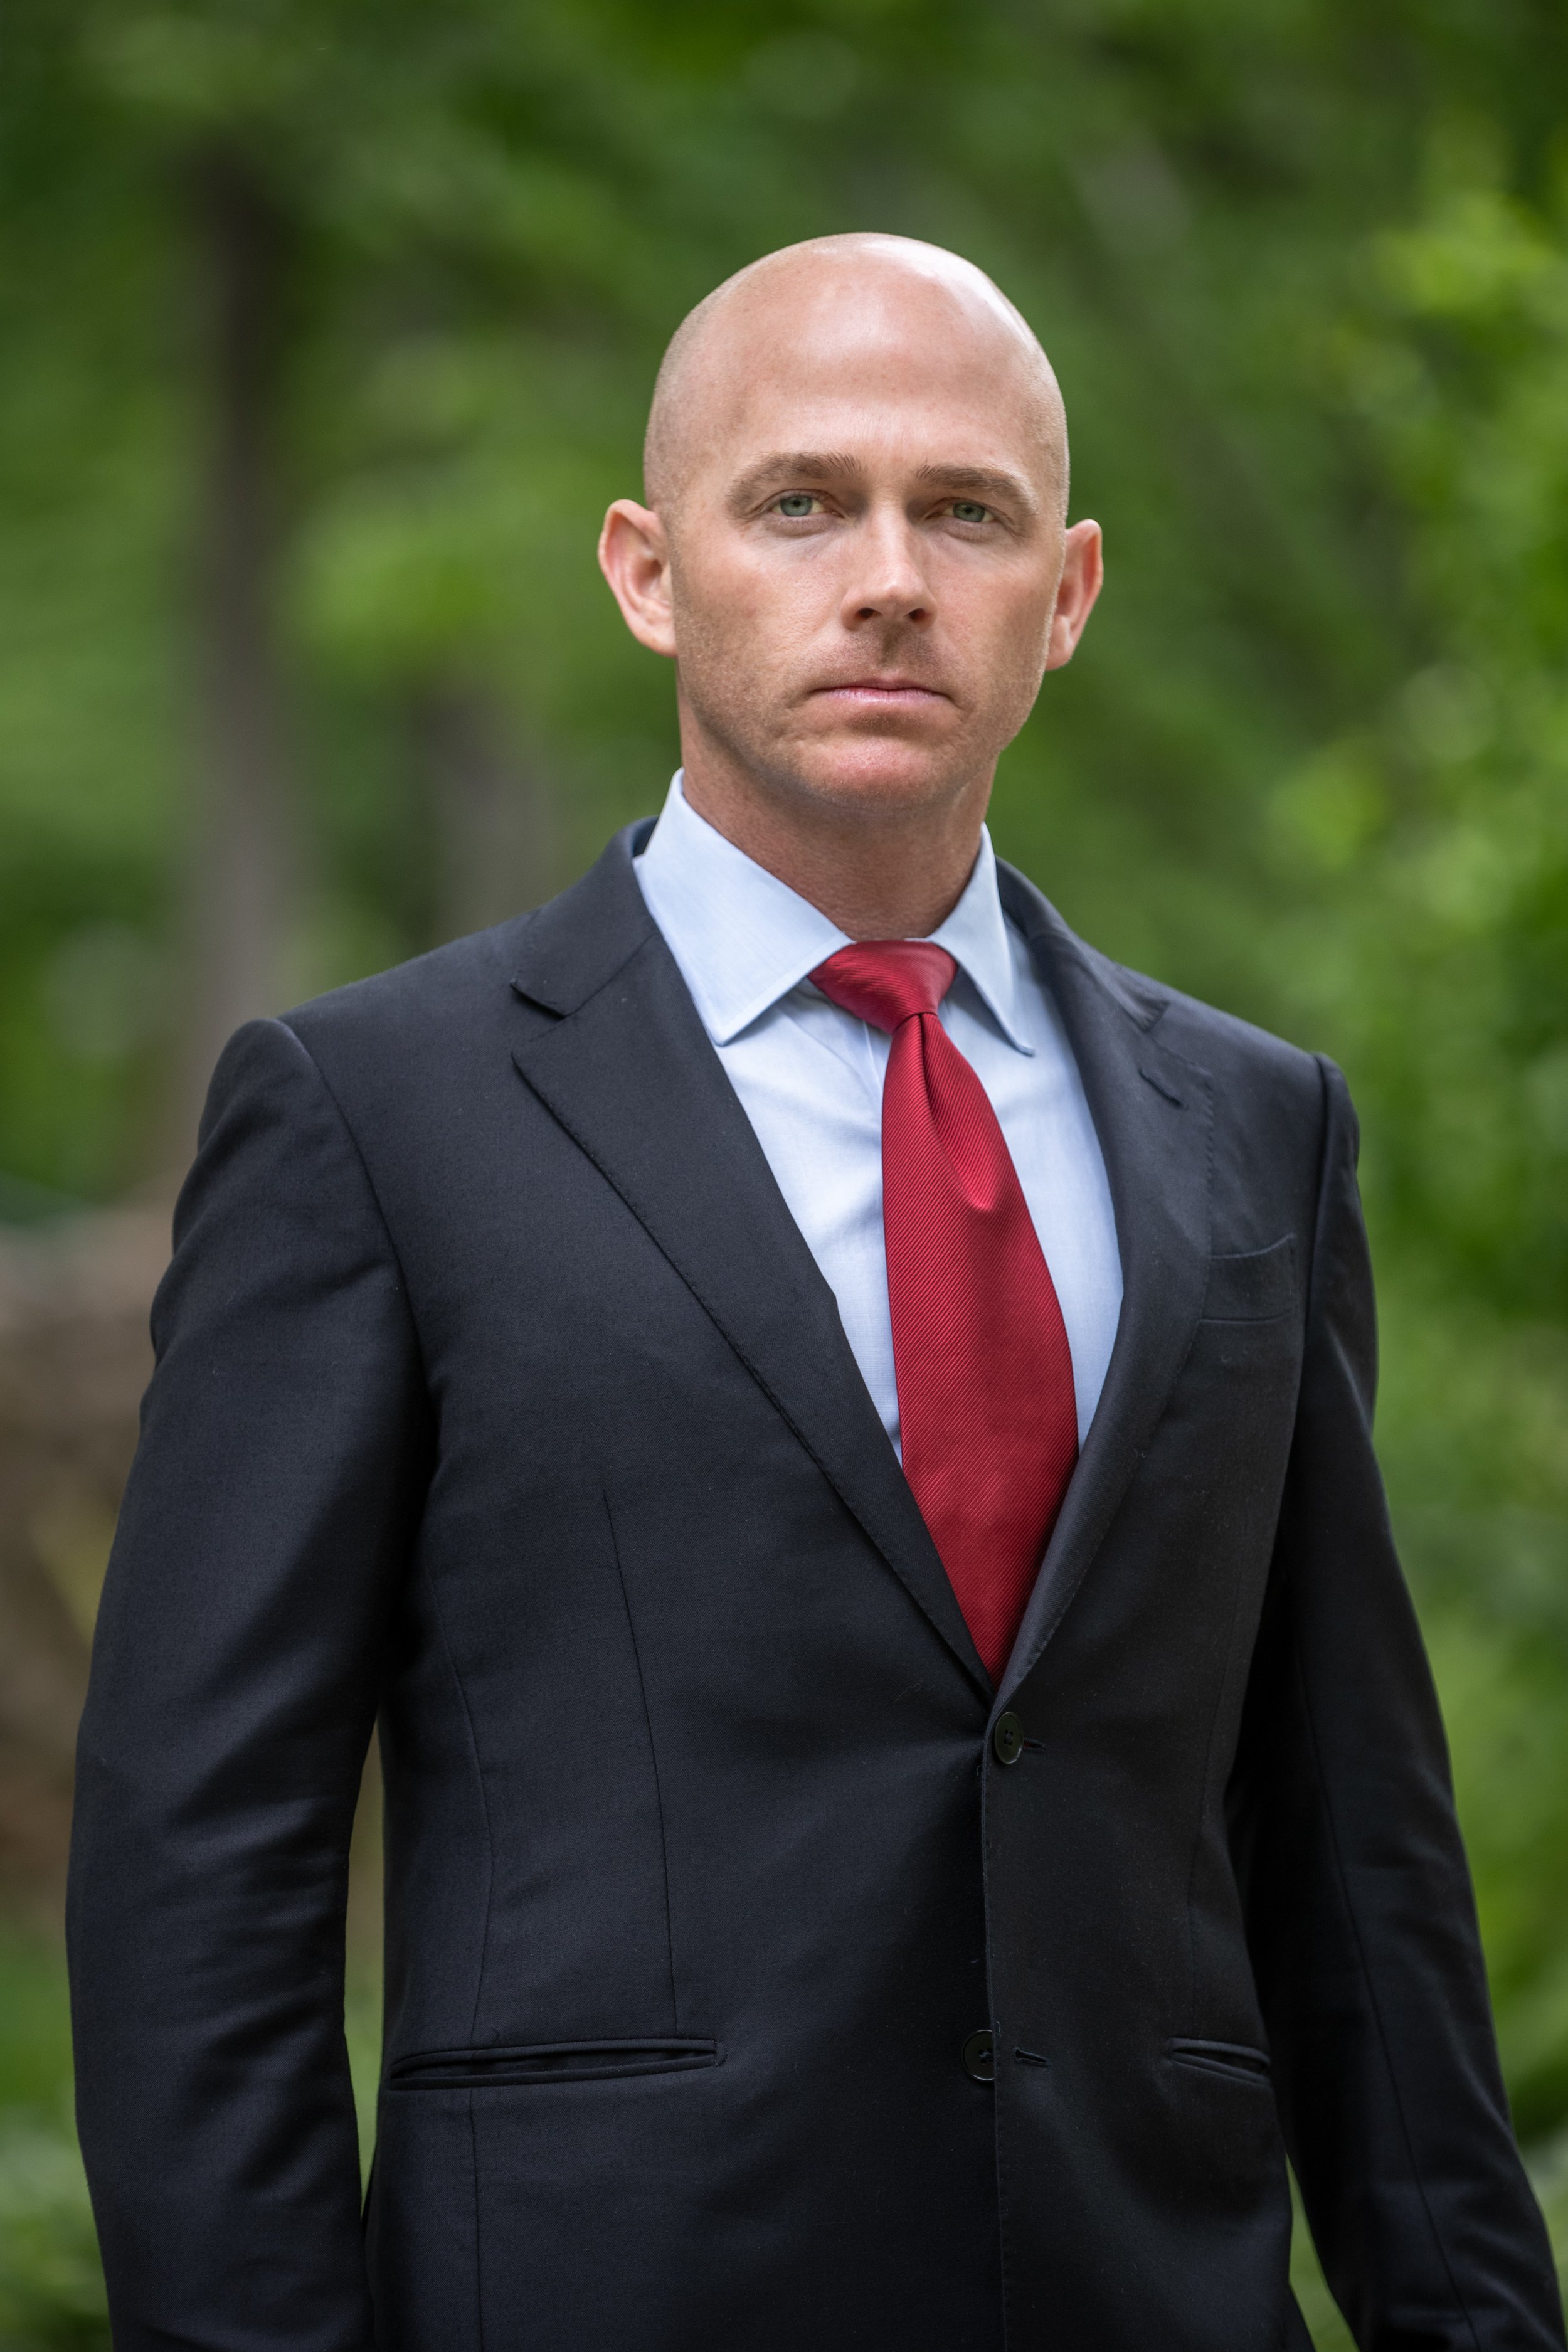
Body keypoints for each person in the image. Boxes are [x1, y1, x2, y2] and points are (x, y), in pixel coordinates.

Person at [68, 233, 1563, 2352]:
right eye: (800, 502)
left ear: (1066, 595)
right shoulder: (372, 1117)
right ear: (647, 568)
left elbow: (1351, 1839)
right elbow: (200, 1864)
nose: (888, 577)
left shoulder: (1259, 1129)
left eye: (965, 512)